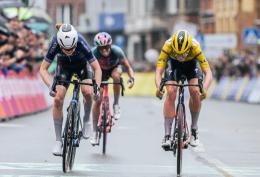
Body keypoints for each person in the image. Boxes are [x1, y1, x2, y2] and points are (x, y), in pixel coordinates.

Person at [39, 24, 102, 156]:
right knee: (57, 99)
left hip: (82, 66)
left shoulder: (80, 41)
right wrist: (50, 85)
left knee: (87, 92)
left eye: (72, 48)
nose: (69, 51)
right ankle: (58, 141)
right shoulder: (55, 42)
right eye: (65, 49)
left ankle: (86, 120)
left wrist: (96, 86)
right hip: (64, 67)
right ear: (60, 44)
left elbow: (97, 68)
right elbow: (43, 69)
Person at [155, 30, 213, 148]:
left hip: (191, 65)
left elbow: (208, 72)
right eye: (177, 53)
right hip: (173, 65)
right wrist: (158, 88)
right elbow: (159, 71)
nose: (180, 57)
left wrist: (205, 89)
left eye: (183, 54)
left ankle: (194, 130)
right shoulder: (168, 45)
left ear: (189, 48)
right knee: (171, 92)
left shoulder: (195, 46)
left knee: (195, 91)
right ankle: (167, 135)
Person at [90, 32, 135, 145]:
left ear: (110, 45)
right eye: (102, 48)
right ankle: (95, 132)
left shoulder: (117, 51)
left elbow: (128, 67)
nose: (105, 50)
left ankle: (115, 104)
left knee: (116, 76)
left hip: (114, 68)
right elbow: (89, 69)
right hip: (100, 72)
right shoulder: (93, 53)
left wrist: (131, 78)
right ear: (97, 48)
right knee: (97, 100)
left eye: (107, 47)